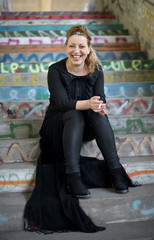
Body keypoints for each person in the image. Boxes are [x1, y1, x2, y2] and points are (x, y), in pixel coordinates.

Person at [24, 25, 136, 233]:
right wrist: (90, 104)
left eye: (81, 46)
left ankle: (115, 172)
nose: (77, 51)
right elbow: (61, 102)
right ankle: (72, 175)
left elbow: (100, 97)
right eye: (72, 46)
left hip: (84, 125)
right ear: (66, 47)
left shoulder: (97, 70)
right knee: (75, 113)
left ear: (89, 48)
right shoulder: (55, 70)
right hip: (57, 125)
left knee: (99, 115)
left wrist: (100, 106)